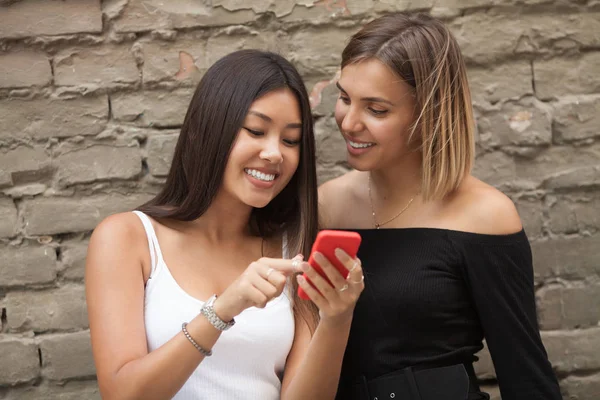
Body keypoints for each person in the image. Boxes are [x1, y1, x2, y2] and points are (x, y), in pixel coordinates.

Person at [85, 49, 365, 400]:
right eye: (256, 130)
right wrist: (222, 310)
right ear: (211, 128)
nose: (275, 153)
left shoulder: (292, 248)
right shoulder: (128, 238)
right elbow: (122, 394)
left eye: (291, 140)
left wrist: (337, 319)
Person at [318, 13, 562, 400]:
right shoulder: (325, 206)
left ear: (428, 114)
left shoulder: (485, 216)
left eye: (376, 109)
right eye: (345, 98)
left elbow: (526, 376)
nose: (348, 122)